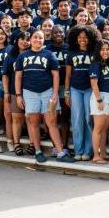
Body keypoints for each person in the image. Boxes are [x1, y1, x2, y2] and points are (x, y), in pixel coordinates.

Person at [14, 30, 76, 163]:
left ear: (44, 40)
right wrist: (18, 95)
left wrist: (54, 94)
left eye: (41, 38)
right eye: (35, 37)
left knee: (52, 123)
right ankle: (38, 151)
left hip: (47, 91)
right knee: (34, 123)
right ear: (30, 39)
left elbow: (56, 75)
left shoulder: (49, 55)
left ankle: (60, 152)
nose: (38, 40)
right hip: (29, 92)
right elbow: (18, 76)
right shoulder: (23, 56)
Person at [64, 25, 97, 161]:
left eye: (85, 37)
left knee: (88, 119)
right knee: (77, 119)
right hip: (75, 89)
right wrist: (67, 92)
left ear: (90, 39)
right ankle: (79, 150)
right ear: (76, 39)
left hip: (90, 89)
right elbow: (68, 75)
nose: (82, 39)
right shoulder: (71, 53)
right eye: (80, 37)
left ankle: (88, 151)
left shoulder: (94, 53)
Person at [89, 40, 109, 164]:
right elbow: (93, 83)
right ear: (98, 51)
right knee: (98, 128)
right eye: (102, 49)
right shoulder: (96, 64)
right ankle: (96, 155)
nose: (105, 52)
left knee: (105, 129)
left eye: (107, 49)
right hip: (101, 97)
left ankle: (103, 153)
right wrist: (99, 100)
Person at [3, 31, 30, 155]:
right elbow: (5, 75)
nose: (24, 42)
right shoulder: (11, 56)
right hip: (14, 91)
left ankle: (32, 143)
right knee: (16, 118)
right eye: (22, 39)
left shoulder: (33, 54)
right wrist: (6, 92)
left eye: (27, 39)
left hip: (31, 90)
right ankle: (16, 143)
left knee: (30, 118)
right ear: (17, 41)